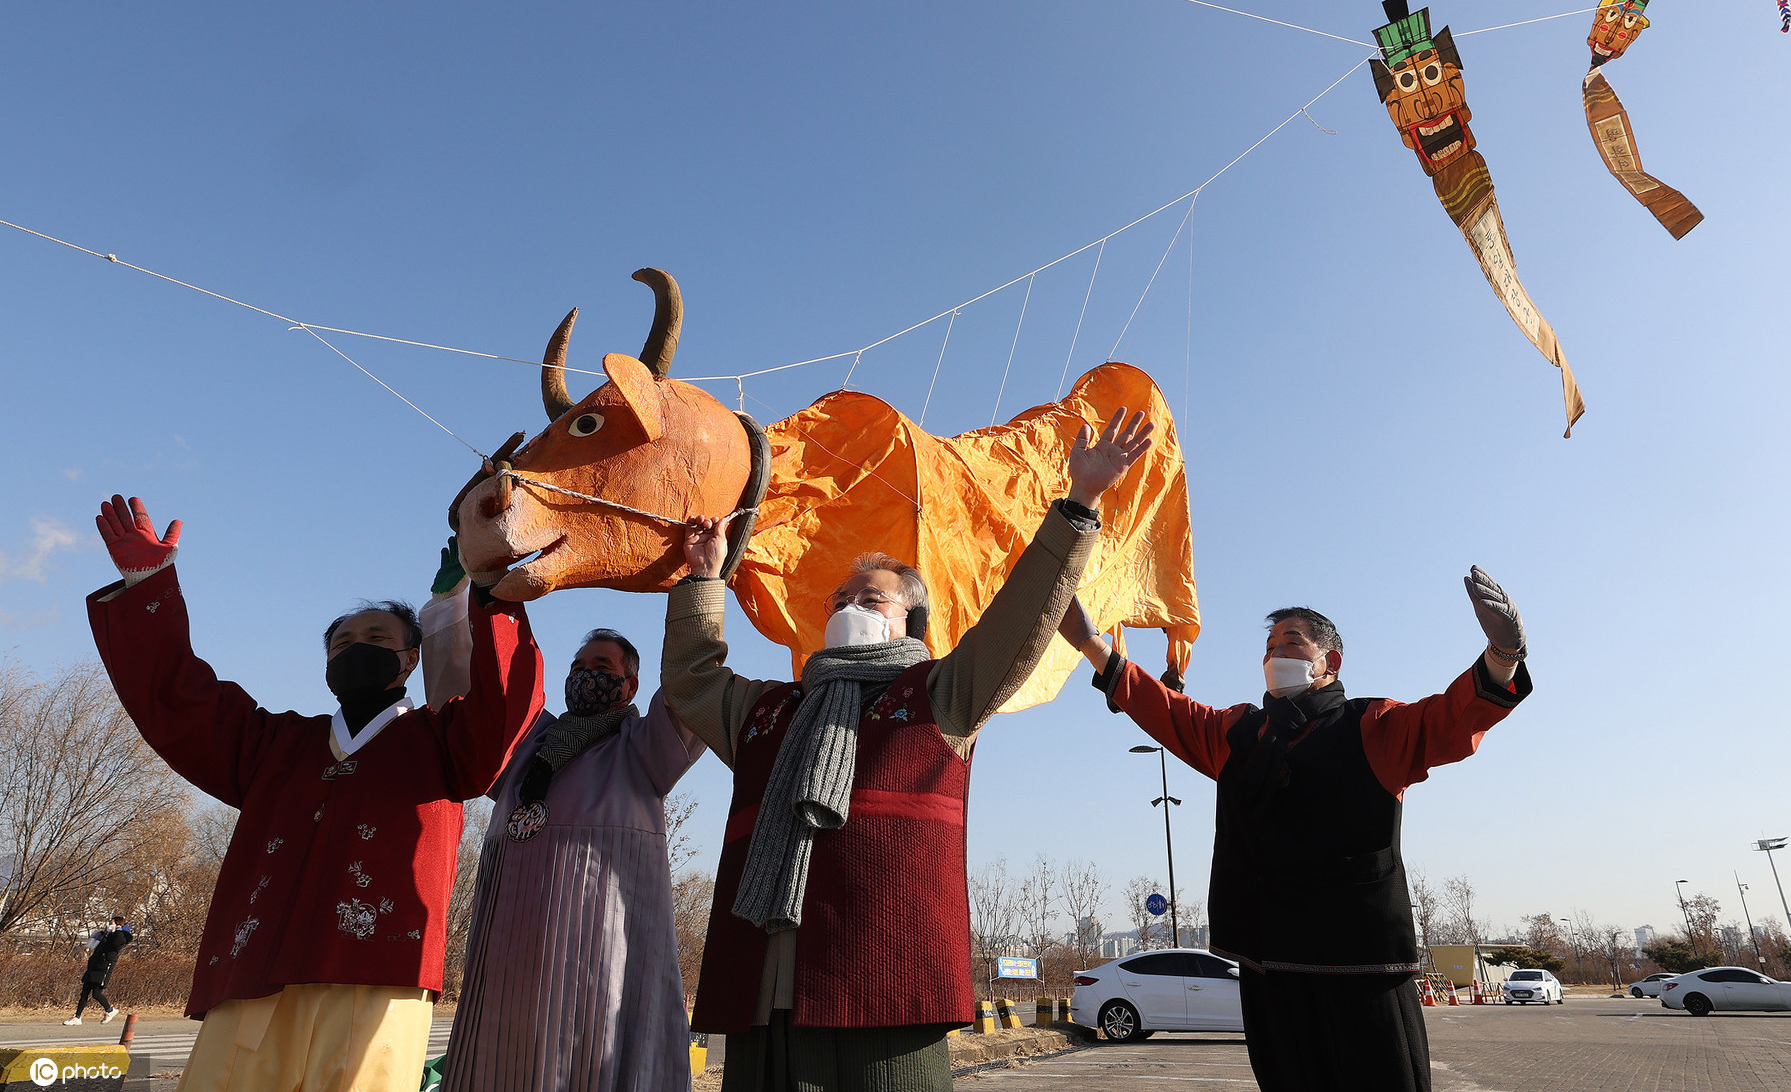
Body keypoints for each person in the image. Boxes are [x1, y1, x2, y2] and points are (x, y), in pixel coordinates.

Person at [664, 409, 1154, 1092]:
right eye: (840, 598)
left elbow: (1019, 618)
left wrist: (1081, 503)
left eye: (870, 599)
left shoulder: (942, 695)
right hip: (760, 1000)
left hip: (888, 995)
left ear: (911, 622)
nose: (848, 606)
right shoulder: (770, 712)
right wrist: (703, 579)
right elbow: (691, 680)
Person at [86, 496, 544, 1092]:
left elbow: (505, 702)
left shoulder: (443, 742)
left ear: (410, 659)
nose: (356, 647)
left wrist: (490, 591)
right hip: (253, 975)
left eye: (376, 636)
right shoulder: (274, 743)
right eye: (341, 642)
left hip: (382, 975)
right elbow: (178, 700)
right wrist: (148, 586)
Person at [1066, 568, 1534, 1092]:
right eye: (1268, 647)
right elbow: (1167, 711)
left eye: (1291, 642)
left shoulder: (1372, 724)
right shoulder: (1240, 734)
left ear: (1330, 661)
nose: (1274, 655)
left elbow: (1449, 718)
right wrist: (1092, 644)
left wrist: (1502, 657)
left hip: (1362, 970)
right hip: (1269, 967)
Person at [425, 541, 709, 1092]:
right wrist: (458, 602)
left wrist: (701, 585)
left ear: (631, 685)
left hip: (604, 961)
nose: (585, 675)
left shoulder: (645, 746)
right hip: (510, 959)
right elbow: (472, 694)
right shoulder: (526, 745)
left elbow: (691, 683)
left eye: (602, 667)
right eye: (577, 666)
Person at [63, 917, 132, 1026]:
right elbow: (93, 945)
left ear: (118, 925)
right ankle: (77, 1017)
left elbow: (116, 944)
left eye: (112, 923)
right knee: (84, 993)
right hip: (94, 966)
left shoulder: (120, 936)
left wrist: (117, 931)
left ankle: (110, 1010)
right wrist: (103, 934)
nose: (109, 925)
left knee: (96, 993)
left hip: (104, 968)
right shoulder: (107, 935)